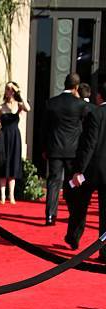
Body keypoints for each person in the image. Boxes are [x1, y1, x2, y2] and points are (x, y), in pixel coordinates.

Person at [66, 81, 106, 262]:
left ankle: (74, 236)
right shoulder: (95, 112)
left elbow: (89, 144)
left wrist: (79, 169)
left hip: (92, 170)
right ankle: (104, 251)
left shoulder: (96, 113)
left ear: (100, 96)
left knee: (80, 204)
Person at [43, 72, 88, 225]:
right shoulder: (81, 105)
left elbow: (45, 129)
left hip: (54, 149)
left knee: (53, 182)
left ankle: (50, 216)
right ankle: (72, 213)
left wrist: (45, 148)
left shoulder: (51, 103)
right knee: (71, 183)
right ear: (76, 87)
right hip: (73, 151)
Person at [0, 81, 30, 205]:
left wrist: (19, 93)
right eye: (7, 88)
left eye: (11, 89)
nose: (9, 91)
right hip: (3, 137)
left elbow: (28, 108)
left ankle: (11, 195)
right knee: (3, 164)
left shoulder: (18, 105)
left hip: (14, 137)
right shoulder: (0, 107)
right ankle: (2, 196)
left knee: (13, 163)